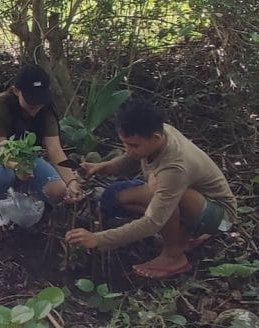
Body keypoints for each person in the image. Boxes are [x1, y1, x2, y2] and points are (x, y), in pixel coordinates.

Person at [65, 98, 236, 279]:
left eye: (133, 145)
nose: (128, 149)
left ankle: (174, 256)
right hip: (199, 202)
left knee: (156, 192)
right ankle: (183, 236)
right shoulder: (162, 133)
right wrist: (102, 167)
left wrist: (98, 239)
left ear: (155, 138)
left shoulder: (174, 168)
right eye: (125, 143)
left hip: (222, 219)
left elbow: (153, 221)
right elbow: (131, 159)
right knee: (126, 197)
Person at [0, 64, 83, 230]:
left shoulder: (46, 111)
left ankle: (25, 195)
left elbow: (55, 150)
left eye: (39, 102)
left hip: (27, 158)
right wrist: (18, 168)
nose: (36, 107)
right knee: (3, 174)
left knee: (58, 191)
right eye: (31, 101)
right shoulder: (1, 105)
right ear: (16, 91)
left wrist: (71, 182)